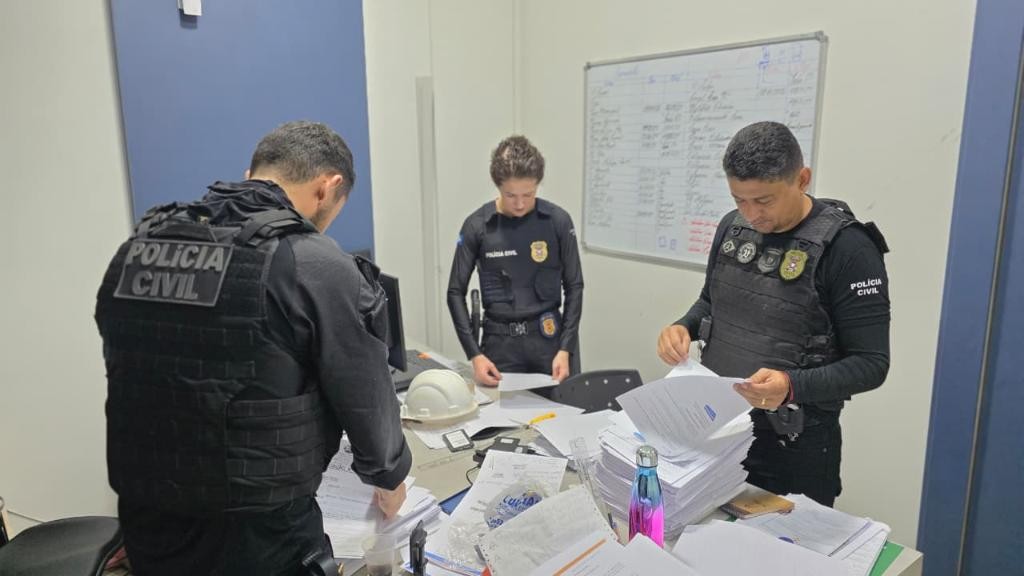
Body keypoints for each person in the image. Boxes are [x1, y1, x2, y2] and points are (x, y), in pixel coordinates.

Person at [95, 121, 411, 575]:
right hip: (259, 538)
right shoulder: (314, 263)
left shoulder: (141, 248)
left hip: (149, 524)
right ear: (327, 188)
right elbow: (368, 402)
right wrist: (389, 476)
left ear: (251, 175)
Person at [656, 121, 891, 507]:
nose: (751, 214)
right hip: (720, 429)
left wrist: (791, 385)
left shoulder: (850, 249)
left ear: (802, 179)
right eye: (739, 200)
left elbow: (872, 364)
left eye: (764, 201)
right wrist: (684, 326)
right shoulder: (732, 228)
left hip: (794, 446)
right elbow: (711, 302)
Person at [447, 135, 584, 387]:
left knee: (561, 409)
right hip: (499, 348)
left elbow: (575, 286)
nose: (520, 204)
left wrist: (566, 348)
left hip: (550, 343)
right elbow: (455, 292)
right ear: (498, 186)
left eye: (528, 194)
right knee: (500, 412)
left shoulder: (558, 221)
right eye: (510, 195)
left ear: (538, 185)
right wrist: (474, 354)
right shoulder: (477, 226)